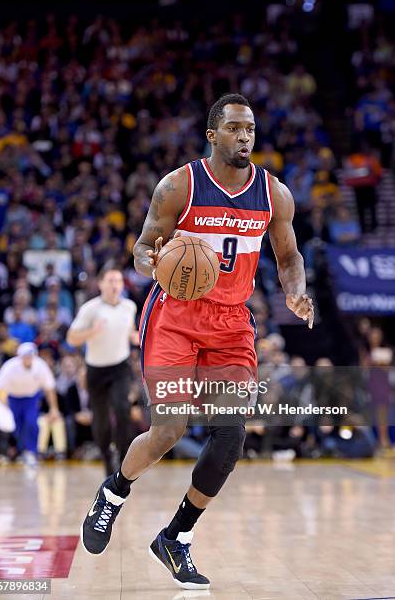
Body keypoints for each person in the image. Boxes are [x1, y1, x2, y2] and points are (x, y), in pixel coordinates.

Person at [81, 94, 314, 590]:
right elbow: (143, 248)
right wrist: (154, 262)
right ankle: (115, 492)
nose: (244, 136)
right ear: (213, 135)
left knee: (231, 434)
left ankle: (175, 538)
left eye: (250, 128)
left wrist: (296, 292)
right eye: (234, 128)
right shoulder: (179, 186)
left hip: (232, 323)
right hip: (176, 317)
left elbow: (289, 256)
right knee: (168, 431)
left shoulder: (275, 194)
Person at [67, 267, 139, 475]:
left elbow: (128, 332)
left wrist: (135, 337)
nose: (114, 284)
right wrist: (92, 331)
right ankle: (108, 460)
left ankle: (125, 461)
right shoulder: (91, 309)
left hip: (120, 366)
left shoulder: (129, 306)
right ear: (100, 284)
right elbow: (72, 338)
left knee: (122, 408)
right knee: (101, 420)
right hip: (96, 369)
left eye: (118, 280)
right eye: (110, 281)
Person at [0, 342, 60, 466]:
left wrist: (54, 408)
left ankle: (31, 452)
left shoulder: (40, 366)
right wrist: (0, 406)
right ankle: (20, 451)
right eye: (25, 356)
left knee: (31, 423)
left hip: (31, 398)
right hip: (13, 399)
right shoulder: (10, 367)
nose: (28, 358)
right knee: (16, 426)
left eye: (30, 356)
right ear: (19, 356)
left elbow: (50, 388)